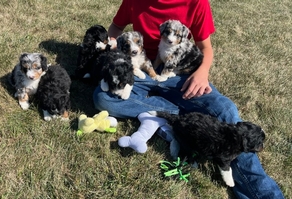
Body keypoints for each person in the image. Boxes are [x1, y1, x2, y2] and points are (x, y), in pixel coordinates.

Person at [93, 0, 285, 198]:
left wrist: (202, 72)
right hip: (140, 69)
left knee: (225, 110)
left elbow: (206, 48)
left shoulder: (197, 2)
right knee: (103, 98)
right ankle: (185, 114)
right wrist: (112, 45)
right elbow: (116, 27)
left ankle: (263, 194)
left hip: (180, 75)